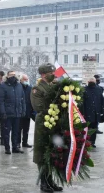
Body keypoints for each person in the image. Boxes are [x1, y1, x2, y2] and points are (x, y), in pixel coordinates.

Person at [31, 63, 63, 192]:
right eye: (51, 73)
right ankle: (44, 182)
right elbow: (38, 107)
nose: (54, 75)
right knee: (42, 153)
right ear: (43, 75)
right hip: (43, 124)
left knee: (53, 153)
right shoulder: (37, 89)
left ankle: (51, 181)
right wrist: (54, 104)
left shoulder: (55, 87)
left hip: (55, 123)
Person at [0, 71, 26, 154]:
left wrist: (23, 110)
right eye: (11, 75)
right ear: (7, 76)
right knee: (7, 131)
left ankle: (15, 147)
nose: (13, 77)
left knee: (16, 131)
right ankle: (7, 148)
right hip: (7, 113)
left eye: (14, 75)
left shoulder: (19, 85)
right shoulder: (3, 86)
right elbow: (1, 101)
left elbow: (23, 99)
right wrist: (3, 112)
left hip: (17, 113)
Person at [83, 77, 104, 148]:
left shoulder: (99, 90)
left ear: (95, 82)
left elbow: (101, 100)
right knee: (87, 128)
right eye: (90, 81)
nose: (92, 82)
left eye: (93, 81)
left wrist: (101, 112)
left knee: (94, 128)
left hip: (96, 113)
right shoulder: (84, 90)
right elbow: (82, 103)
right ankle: (86, 142)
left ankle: (92, 142)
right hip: (87, 113)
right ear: (88, 82)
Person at [18, 74, 34, 148]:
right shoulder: (18, 87)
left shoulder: (30, 88)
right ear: (21, 80)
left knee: (26, 129)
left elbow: (32, 100)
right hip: (19, 112)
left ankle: (25, 142)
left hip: (27, 111)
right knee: (18, 129)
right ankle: (17, 143)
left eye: (27, 79)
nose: (26, 81)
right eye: (25, 79)